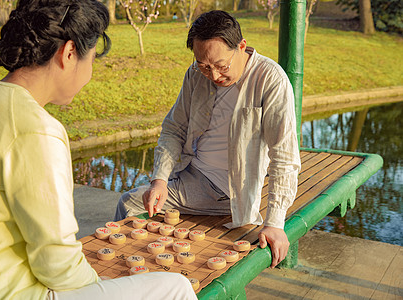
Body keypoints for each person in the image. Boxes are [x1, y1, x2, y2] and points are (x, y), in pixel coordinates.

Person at [0, 1, 196, 299]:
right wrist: (101, 284)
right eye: (92, 59)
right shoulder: (35, 128)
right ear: (69, 54)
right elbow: (56, 263)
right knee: (176, 286)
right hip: (3, 292)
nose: (90, 71)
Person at [115, 10, 301, 269]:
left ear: (242, 46)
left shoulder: (270, 79)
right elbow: (174, 129)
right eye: (204, 66)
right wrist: (159, 181)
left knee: (132, 206)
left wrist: (275, 223)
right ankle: (135, 274)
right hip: (191, 173)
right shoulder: (195, 74)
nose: (213, 76)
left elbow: (285, 156)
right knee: (133, 203)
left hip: (230, 191)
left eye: (221, 66)